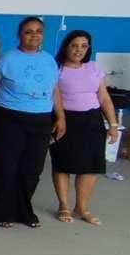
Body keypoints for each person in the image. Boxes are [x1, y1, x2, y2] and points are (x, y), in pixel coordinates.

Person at [0, 17, 65, 228]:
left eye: (38, 31)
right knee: (6, 166)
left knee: (32, 168)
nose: (34, 35)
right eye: (29, 31)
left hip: (41, 120)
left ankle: (23, 210)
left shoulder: (49, 60)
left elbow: (54, 89)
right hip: (9, 118)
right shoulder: (6, 59)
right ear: (19, 35)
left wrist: (61, 117)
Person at [50, 30, 118, 226]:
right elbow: (54, 96)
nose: (78, 50)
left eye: (84, 46)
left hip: (92, 120)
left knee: (90, 166)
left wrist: (112, 124)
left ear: (88, 48)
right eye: (74, 45)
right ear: (66, 47)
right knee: (63, 163)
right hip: (65, 119)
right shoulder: (57, 69)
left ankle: (82, 207)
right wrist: (58, 118)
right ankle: (63, 204)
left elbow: (104, 97)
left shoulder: (94, 68)